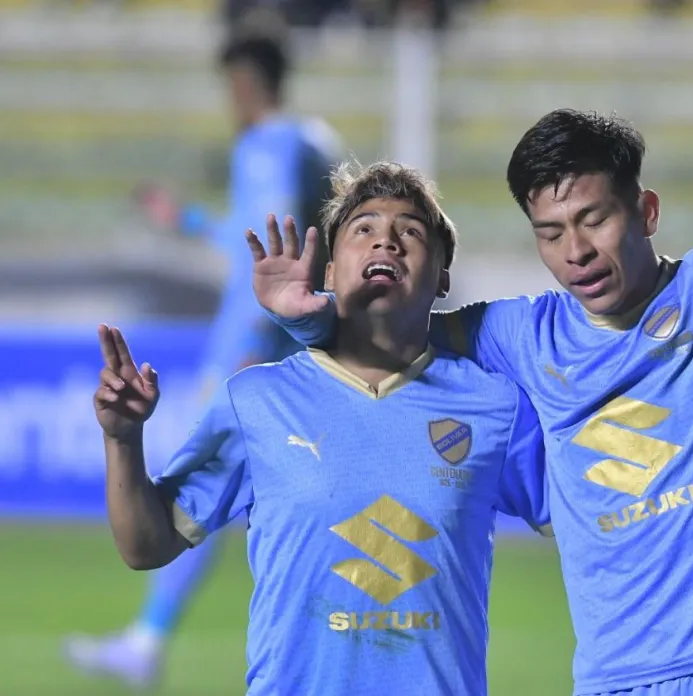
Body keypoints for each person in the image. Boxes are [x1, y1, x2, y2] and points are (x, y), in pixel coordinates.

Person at [255, 1, 693, 694]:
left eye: (593, 219)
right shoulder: (522, 337)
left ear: (646, 211)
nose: (576, 251)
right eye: (551, 232)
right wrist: (309, 320)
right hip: (612, 684)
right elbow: (385, 339)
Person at [91, 161, 551, 694]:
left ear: (443, 276)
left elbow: (590, 525)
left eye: (410, 232)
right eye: (364, 228)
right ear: (329, 274)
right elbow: (146, 546)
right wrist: (122, 438)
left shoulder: (494, 405)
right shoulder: (258, 399)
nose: (386, 240)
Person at [64, 10, 342, 688]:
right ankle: (155, 637)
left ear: (244, 82)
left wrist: (250, 344)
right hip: (295, 344)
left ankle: (149, 640)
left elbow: (268, 244)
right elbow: (255, 235)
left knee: (200, 488)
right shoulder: (313, 142)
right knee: (266, 492)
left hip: (251, 347)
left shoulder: (268, 145)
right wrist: (185, 218)